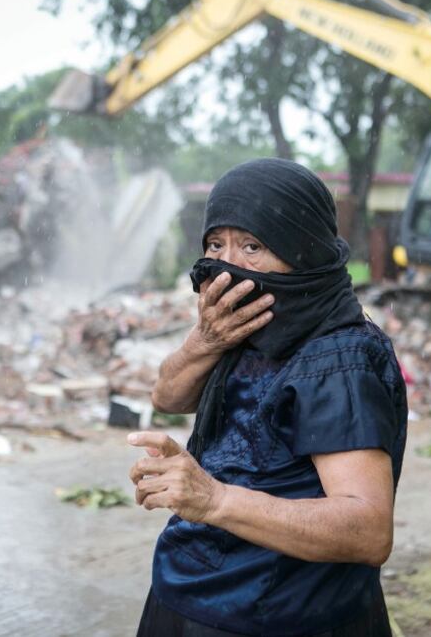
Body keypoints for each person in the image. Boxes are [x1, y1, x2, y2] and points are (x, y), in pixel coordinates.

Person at [129, 159, 408, 636]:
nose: (227, 266)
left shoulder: (337, 358)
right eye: (216, 245)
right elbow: (168, 396)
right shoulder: (245, 325)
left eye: (252, 246)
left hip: (280, 617)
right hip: (192, 598)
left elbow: (367, 529)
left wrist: (213, 499)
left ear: (301, 249)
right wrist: (206, 341)